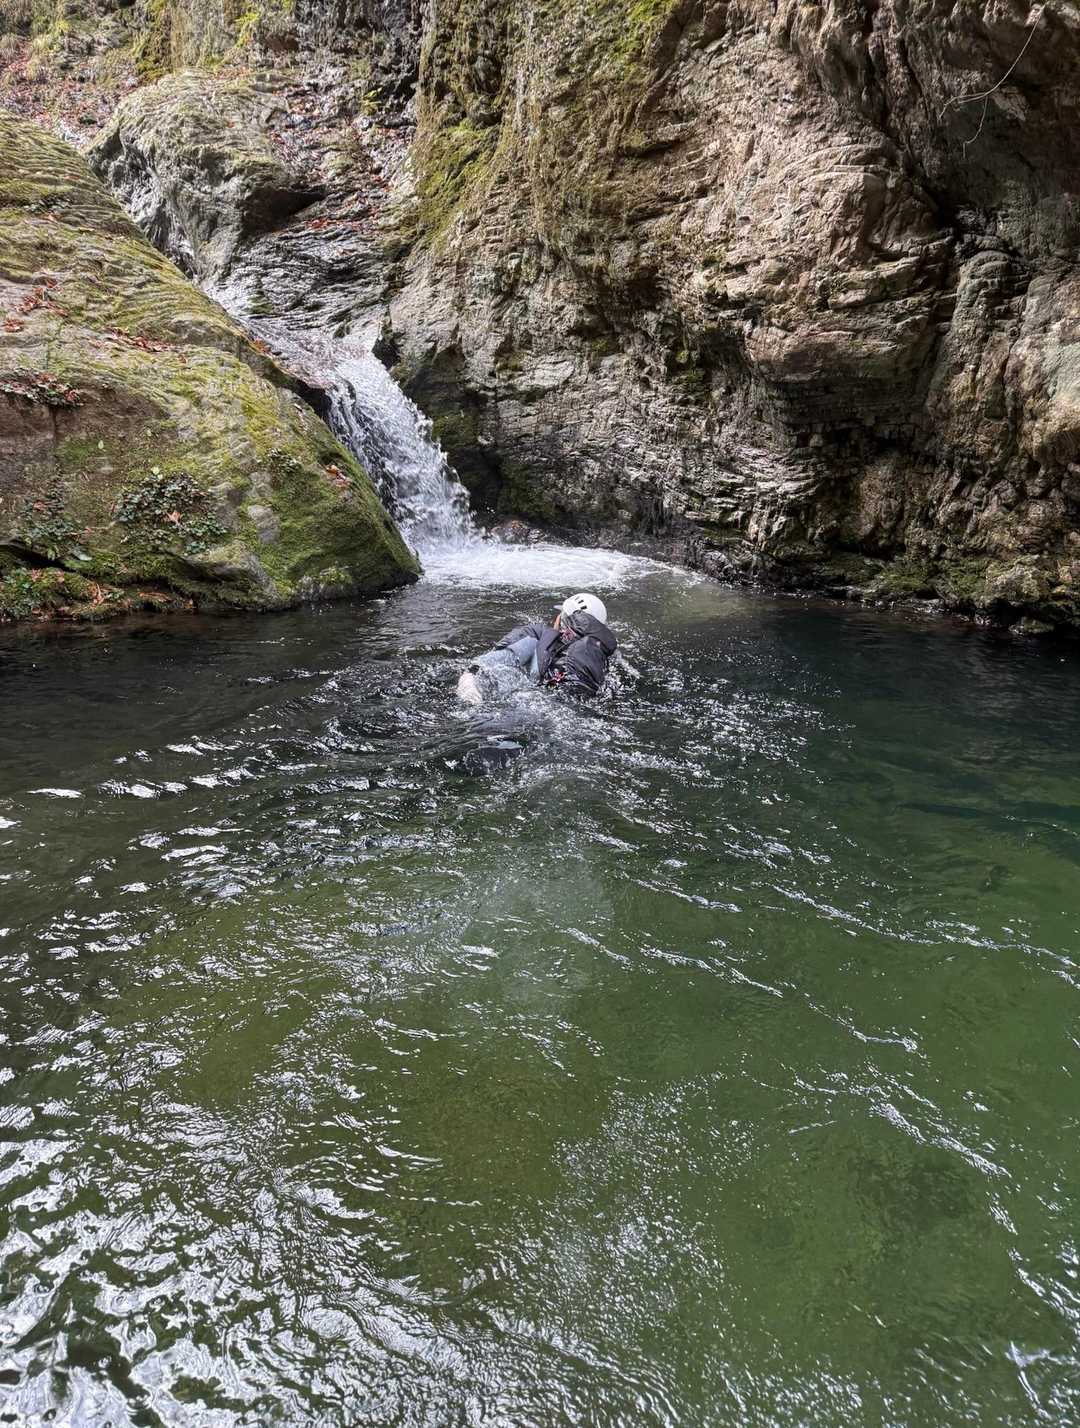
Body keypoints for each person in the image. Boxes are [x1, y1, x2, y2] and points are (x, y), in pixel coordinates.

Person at [457, 592, 617, 703]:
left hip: (526, 703)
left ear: (563, 619)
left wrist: (469, 676)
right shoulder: (603, 657)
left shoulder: (539, 635)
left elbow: (497, 660)